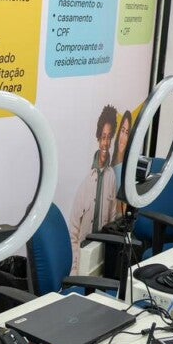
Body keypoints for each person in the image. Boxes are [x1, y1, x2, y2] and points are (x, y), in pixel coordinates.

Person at [69, 105, 118, 273]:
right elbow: (74, 230)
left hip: (100, 256)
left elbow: (112, 221)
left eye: (109, 137)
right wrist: (75, 267)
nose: (106, 142)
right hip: (81, 257)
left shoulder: (112, 177)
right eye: (103, 137)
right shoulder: (86, 178)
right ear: (98, 138)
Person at [112, 110, 133, 216]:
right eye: (122, 130)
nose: (123, 137)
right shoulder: (110, 162)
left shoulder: (127, 169)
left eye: (126, 133)